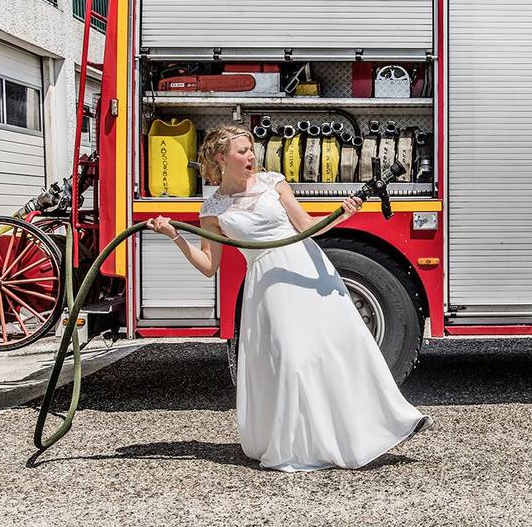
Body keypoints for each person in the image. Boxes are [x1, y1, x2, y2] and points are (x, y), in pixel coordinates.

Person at [146, 125, 432, 471]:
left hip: (305, 269)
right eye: (242, 151)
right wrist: (175, 236)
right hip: (267, 285)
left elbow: (307, 226)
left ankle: (390, 421)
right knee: (291, 360)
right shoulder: (213, 209)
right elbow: (209, 266)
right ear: (221, 158)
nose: (251, 156)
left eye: (251, 149)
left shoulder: (273, 182)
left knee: (338, 349)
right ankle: (296, 444)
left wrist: (343, 212)